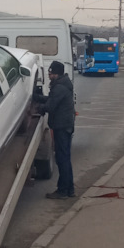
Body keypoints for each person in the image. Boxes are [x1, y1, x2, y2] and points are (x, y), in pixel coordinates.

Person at [39, 60, 75, 199]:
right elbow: (52, 100)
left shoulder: (59, 87)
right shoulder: (62, 84)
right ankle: (69, 189)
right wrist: (39, 98)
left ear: (56, 74)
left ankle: (63, 191)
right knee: (65, 158)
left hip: (61, 127)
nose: (49, 75)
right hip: (64, 126)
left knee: (62, 159)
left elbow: (50, 106)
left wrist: (39, 107)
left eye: (51, 72)